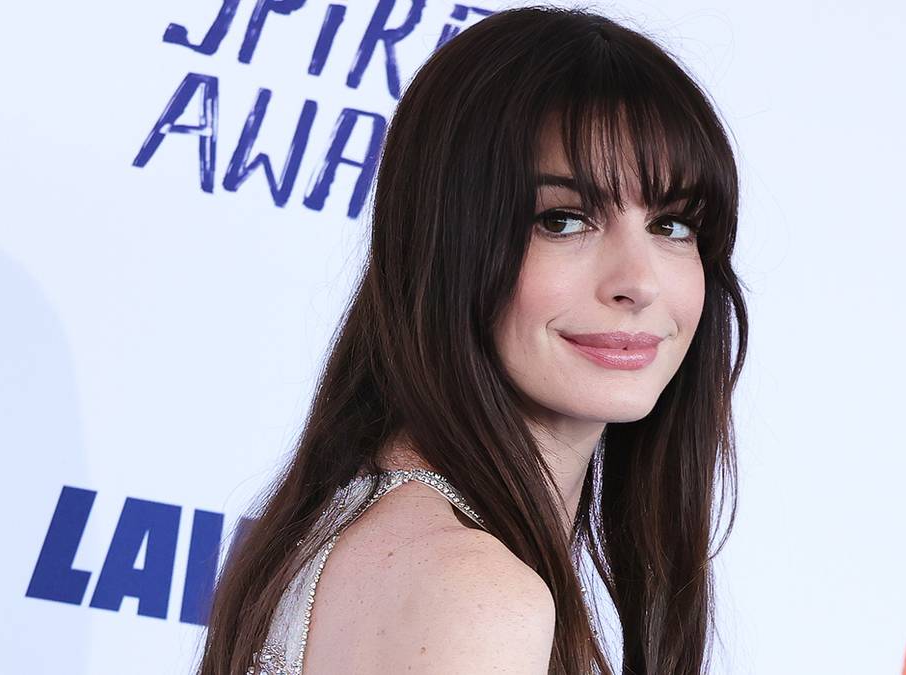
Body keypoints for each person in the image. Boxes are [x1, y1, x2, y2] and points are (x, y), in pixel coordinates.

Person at [195, 4, 747, 674]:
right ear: (448, 242)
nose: (638, 282)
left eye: (673, 224)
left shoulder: (356, 525)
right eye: (564, 219)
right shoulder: (475, 591)